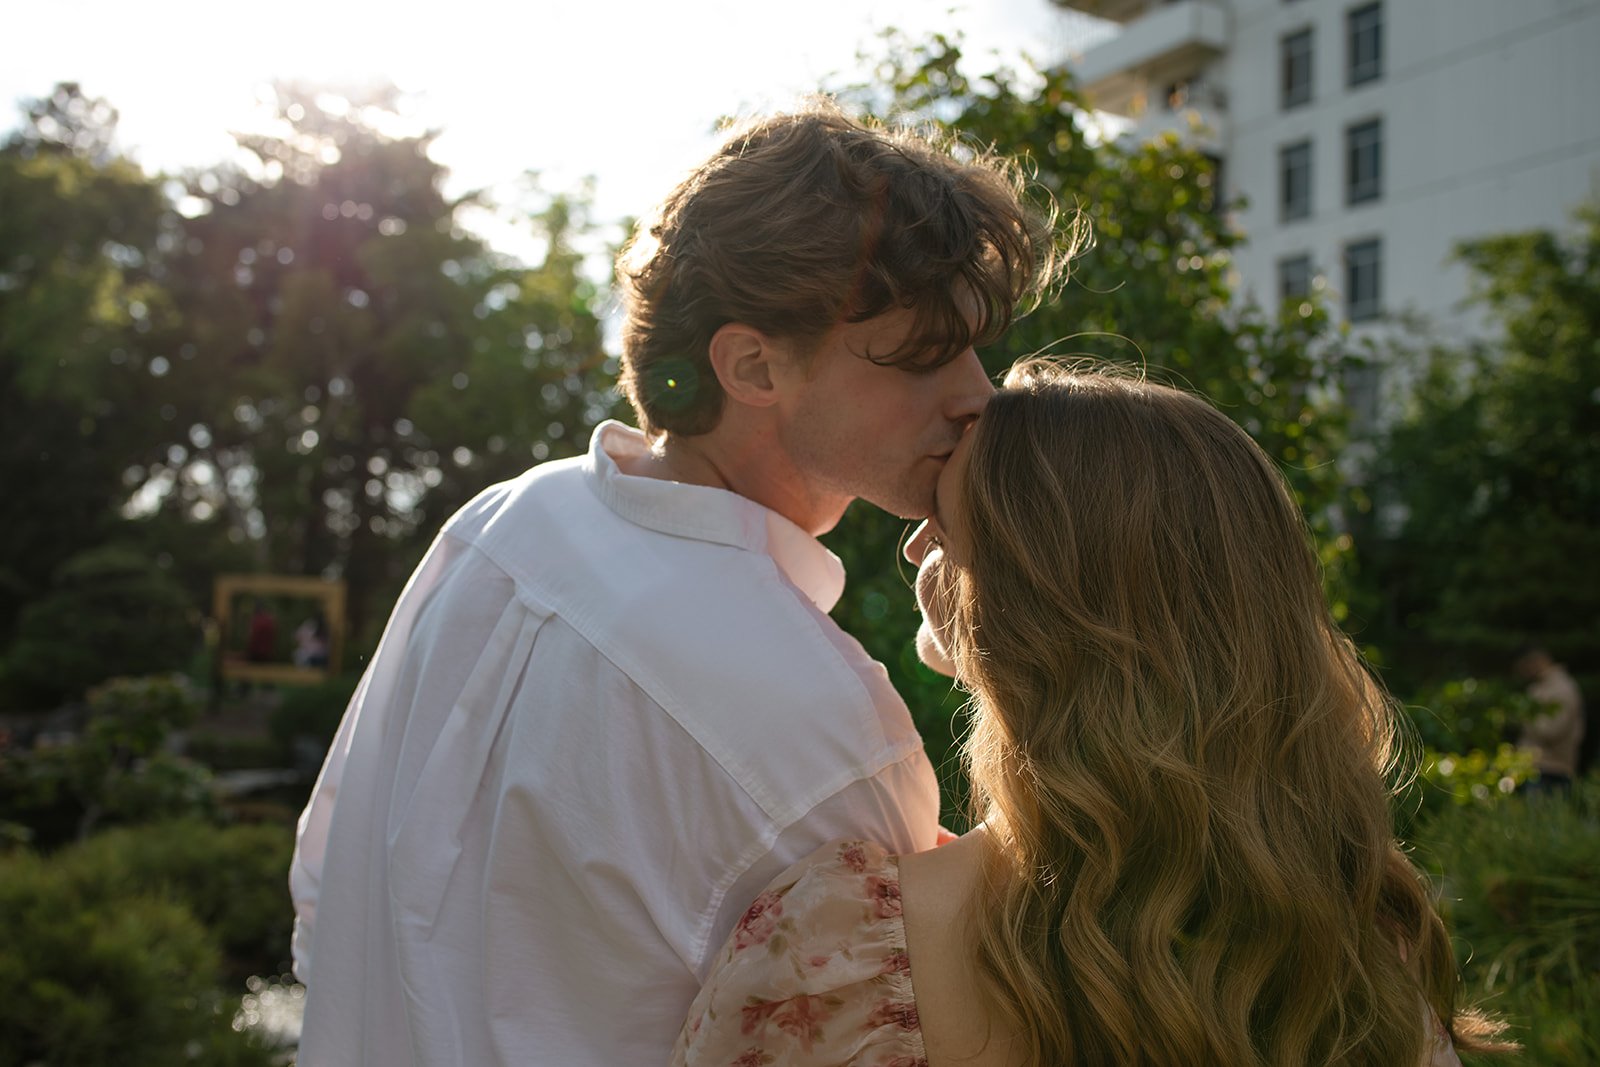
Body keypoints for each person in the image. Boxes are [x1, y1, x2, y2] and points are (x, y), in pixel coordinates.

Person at [288, 101, 1070, 1065]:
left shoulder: (501, 524)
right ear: (752, 365)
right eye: (922, 356)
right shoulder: (821, 725)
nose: (977, 393)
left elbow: (326, 891)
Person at [675, 362, 1510, 1067]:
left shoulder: (838, 953)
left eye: (941, 512)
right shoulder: (1364, 948)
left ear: (1038, 601)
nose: (912, 545)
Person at [1512, 645, 1585, 794]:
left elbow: (1552, 730)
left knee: (1541, 816)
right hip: (1537, 767)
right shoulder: (1542, 687)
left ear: (1535, 662)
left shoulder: (1561, 689)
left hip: (1551, 770)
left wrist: (1525, 716)